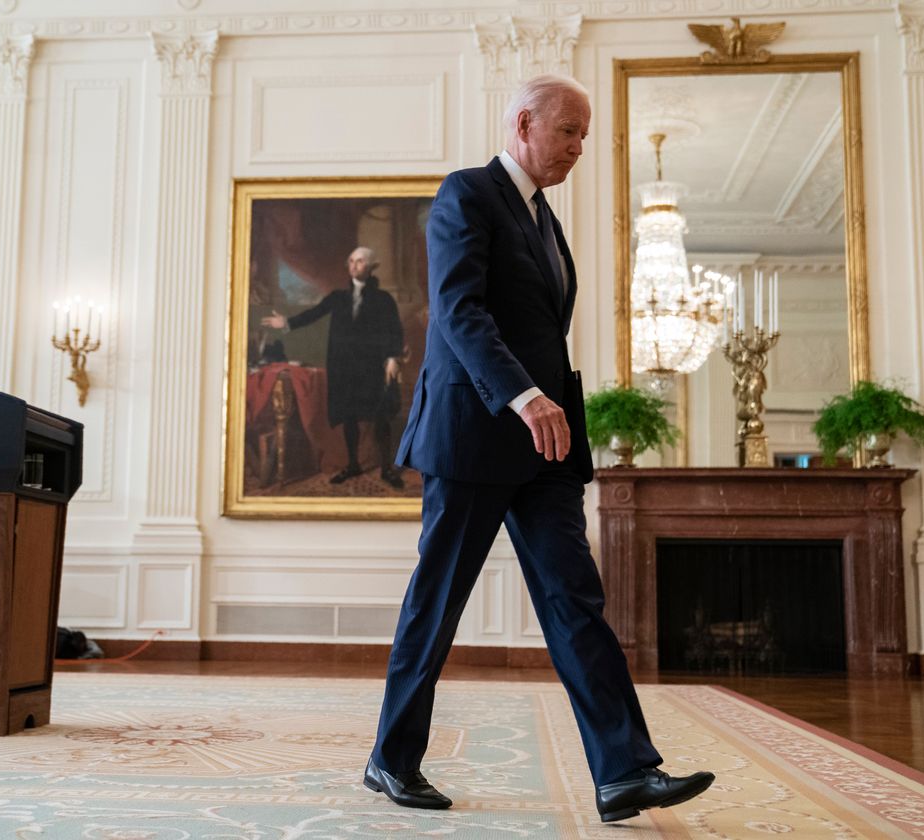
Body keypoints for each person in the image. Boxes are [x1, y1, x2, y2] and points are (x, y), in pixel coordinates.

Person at [363, 74, 715, 823]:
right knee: (438, 603)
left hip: (544, 448)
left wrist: (544, 408)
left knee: (576, 600)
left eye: (584, 134)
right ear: (524, 124)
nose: (579, 147)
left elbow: (539, 331)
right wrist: (523, 395)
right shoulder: (467, 194)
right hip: (472, 435)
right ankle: (391, 759)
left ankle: (624, 772)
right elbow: (458, 311)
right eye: (569, 131)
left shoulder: (545, 220)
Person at [261, 246, 406, 489]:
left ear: (372, 267)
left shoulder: (384, 299)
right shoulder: (338, 297)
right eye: (351, 261)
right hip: (345, 368)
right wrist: (286, 322)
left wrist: (392, 357)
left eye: (360, 261)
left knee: (380, 417)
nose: (354, 266)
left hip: (373, 367)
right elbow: (314, 313)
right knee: (349, 417)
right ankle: (353, 464)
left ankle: (386, 468)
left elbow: (395, 330)